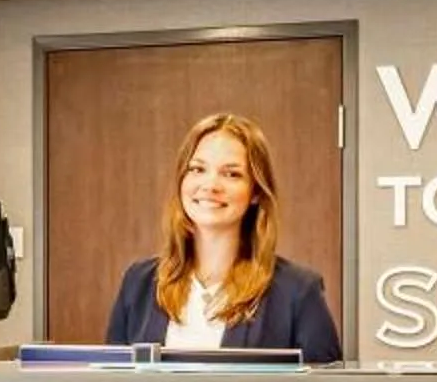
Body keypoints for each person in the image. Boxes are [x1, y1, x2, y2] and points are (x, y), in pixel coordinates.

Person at [105, 112, 344, 362]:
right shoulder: (139, 283)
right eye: (198, 169)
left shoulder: (297, 292)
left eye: (231, 174)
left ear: (255, 192)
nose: (210, 185)